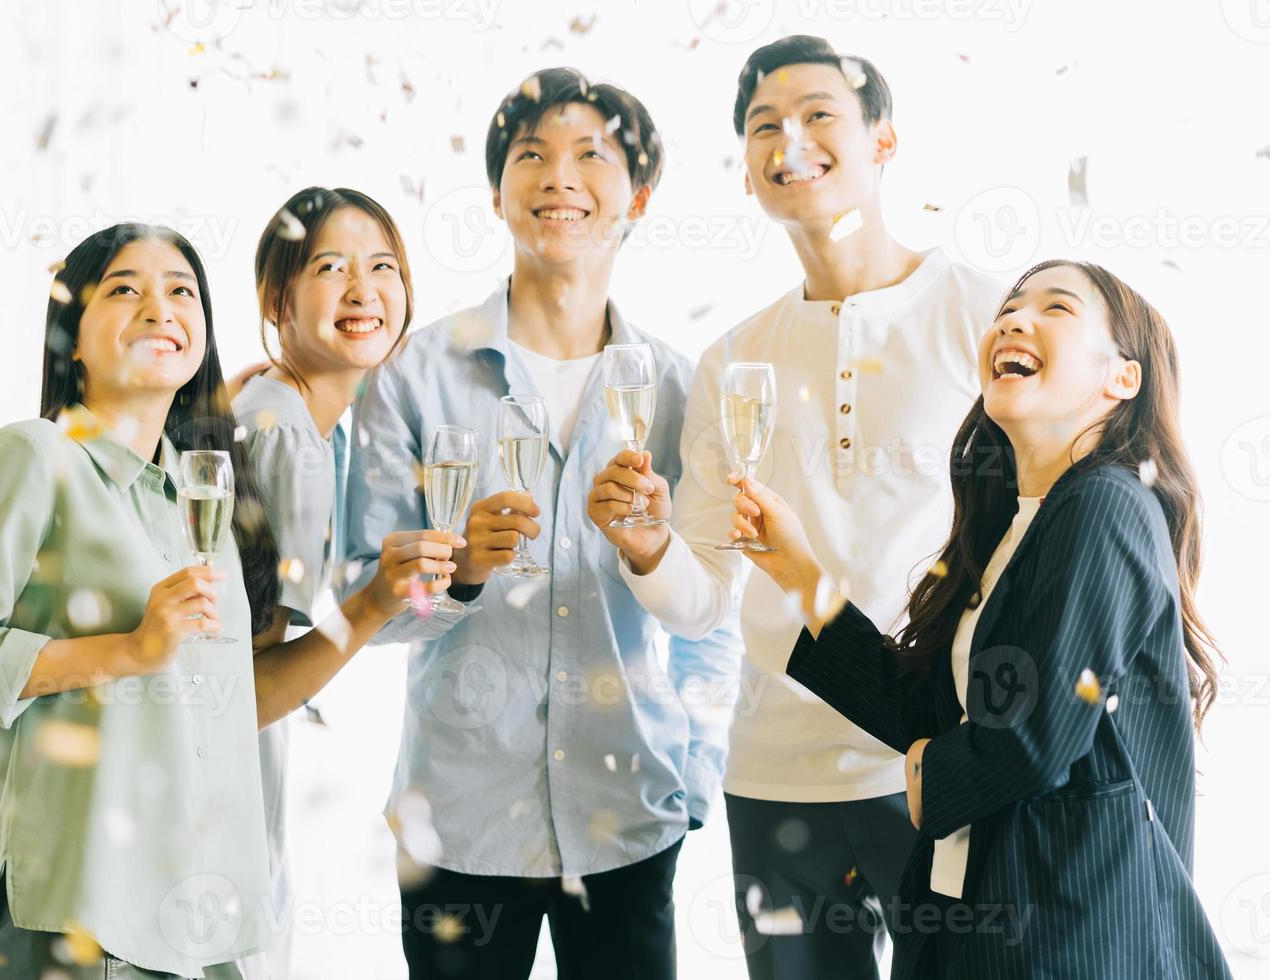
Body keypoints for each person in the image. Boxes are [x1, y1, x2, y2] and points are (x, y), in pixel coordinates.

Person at [0, 223, 451, 978]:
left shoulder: (202, 496)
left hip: (203, 930)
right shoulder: (34, 456)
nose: (160, 308)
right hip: (82, 920)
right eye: (125, 289)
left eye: (182, 291)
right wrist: (128, 651)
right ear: (72, 337)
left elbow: (237, 700)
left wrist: (371, 606)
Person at [588, 35, 1000, 979]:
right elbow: (700, 597)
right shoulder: (735, 360)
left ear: (883, 141)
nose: (790, 141)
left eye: (820, 115)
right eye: (764, 126)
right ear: (746, 172)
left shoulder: (985, 318)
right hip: (776, 777)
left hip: (940, 764)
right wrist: (648, 545)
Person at [341, 68, 742, 979]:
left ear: (637, 196)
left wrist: (694, 776)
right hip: (459, 818)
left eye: (590, 155)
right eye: (533, 155)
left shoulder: (682, 391)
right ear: (497, 194)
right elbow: (356, 600)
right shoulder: (414, 375)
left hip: (631, 811)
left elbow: (713, 612)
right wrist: (458, 578)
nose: (559, 176)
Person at [730, 259, 1231, 979]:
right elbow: (925, 708)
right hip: (988, 925)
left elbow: (1036, 735)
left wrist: (924, 774)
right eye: (1009, 307)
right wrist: (799, 574)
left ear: (1122, 379)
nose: (1013, 320)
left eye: (1056, 308)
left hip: (1071, 935)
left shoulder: (1107, 506)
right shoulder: (1017, 525)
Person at [230, 186, 453, 978]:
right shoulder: (287, 435)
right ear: (276, 299)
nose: (365, 291)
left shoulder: (297, 418)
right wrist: (374, 605)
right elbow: (248, 689)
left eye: (382, 266)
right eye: (331, 267)